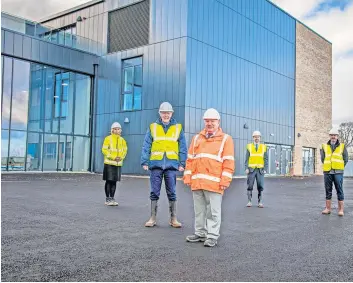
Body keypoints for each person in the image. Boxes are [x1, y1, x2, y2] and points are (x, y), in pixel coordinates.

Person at [184, 108, 234, 247]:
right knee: (199, 210)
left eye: (212, 121)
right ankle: (200, 233)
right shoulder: (196, 138)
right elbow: (190, 159)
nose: (209, 123)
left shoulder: (226, 139)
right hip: (197, 182)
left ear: (218, 122)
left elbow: (228, 161)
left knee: (213, 212)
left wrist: (225, 180)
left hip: (214, 183)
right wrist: (188, 176)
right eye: (207, 121)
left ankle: (212, 235)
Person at [141, 102, 187, 228]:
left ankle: (173, 219)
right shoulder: (153, 127)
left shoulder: (178, 128)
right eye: (163, 112)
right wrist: (144, 161)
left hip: (171, 165)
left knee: (172, 192)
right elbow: (146, 145)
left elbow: (182, 147)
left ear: (172, 113)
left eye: (168, 112)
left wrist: (182, 163)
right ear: (159, 113)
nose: (166, 115)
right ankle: (152, 218)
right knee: (154, 192)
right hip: (156, 164)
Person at [320, 127, 348, 216]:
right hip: (327, 172)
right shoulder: (324, 146)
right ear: (329, 136)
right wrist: (327, 166)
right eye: (332, 135)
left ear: (337, 136)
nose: (333, 137)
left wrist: (340, 167)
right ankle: (328, 209)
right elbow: (322, 159)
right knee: (328, 190)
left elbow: (346, 158)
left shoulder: (342, 146)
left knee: (339, 189)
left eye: (335, 135)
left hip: (338, 172)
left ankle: (341, 210)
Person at [101, 122, 128, 206]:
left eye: (118, 129)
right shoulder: (107, 139)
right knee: (109, 181)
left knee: (114, 182)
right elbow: (104, 150)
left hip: (118, 164)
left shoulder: (122, 140)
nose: (117, 130)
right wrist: (113, 157)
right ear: (112, 130)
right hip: (109, 163)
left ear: (121, 130)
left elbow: (125, 150)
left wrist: (121, 157)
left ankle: (112, 198)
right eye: (115, 129)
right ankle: (107, 199)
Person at [244, 131, 268, 208]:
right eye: (255, 136)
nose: (257, 138)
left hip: (260, 170)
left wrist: (265, 168)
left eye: (258, 136)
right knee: (250, 185)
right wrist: (246, 168)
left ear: (260, 138)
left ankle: (260, 202)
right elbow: (247, 159)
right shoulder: (249, 146)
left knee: (260, 186)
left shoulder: (264, 147)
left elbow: (266, 159)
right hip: (251, 170)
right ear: (253, 138)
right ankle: (249, 201)